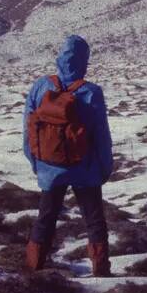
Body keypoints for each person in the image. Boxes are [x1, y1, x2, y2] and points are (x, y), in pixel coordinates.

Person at [22, 35, 114, 276]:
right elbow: (101, 136)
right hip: (85, 168)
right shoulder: (91, 92)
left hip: (50, 168)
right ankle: (101, 271)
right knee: (94, 220)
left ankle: (33, 267)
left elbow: (28, 129)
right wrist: (105, 168)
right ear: (84, 61)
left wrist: (37, 163)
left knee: (46, 218)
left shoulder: (41, 86)